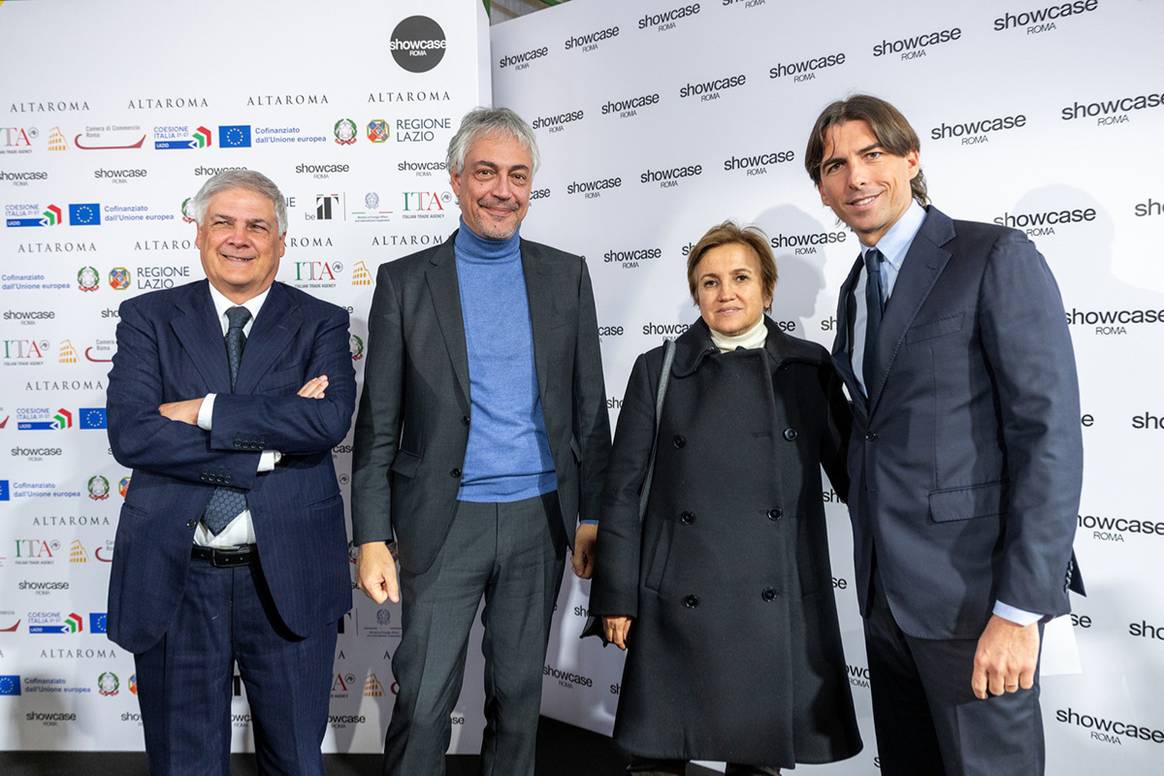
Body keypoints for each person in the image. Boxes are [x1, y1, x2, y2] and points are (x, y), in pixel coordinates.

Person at [803, 94, 1084, 776]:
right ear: (822, 188)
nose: (857, 178)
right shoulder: (853, 288)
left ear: (911, 158)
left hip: (976, 600)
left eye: (872, 155)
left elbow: (1046, 435)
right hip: (886, 600)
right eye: (836, 165)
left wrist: (1020, 610)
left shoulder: (992, 255)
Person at [350, 106, 611, 776]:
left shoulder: (567, 275)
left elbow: (588, 414)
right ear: (456, 181)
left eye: (518, 176)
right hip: (443, 520)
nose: (503, 190)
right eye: (487, 173)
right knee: (427, 697)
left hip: (539, 518)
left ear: (532, 186)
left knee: (519, 697)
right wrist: (371, 534)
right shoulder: (406, 282)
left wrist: (590, 516)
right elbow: (380, 422)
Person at [105, 169, 356, 774]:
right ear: (198, 233)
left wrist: (204, 411)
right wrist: (265, 444)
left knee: (296, 760)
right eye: (223, 222)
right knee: (183, 764)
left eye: (257, 226)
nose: (239, 238)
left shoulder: (321, 319)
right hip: (177, 577)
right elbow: (134, 433)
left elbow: (326, 423)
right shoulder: (148, 317)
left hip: (289, 575)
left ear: (281, 241)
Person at [588, 222, 862, 775]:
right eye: (710, 282)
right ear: (696, 295)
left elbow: (857, 473)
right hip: (674, 598)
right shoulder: (657, 367)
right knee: (657, 757)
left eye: (741, 278)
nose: (726, 293)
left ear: (768, 288)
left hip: (771, 597)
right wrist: (616, 596)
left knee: (755, 758)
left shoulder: (807, 369)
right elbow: (623, 490)